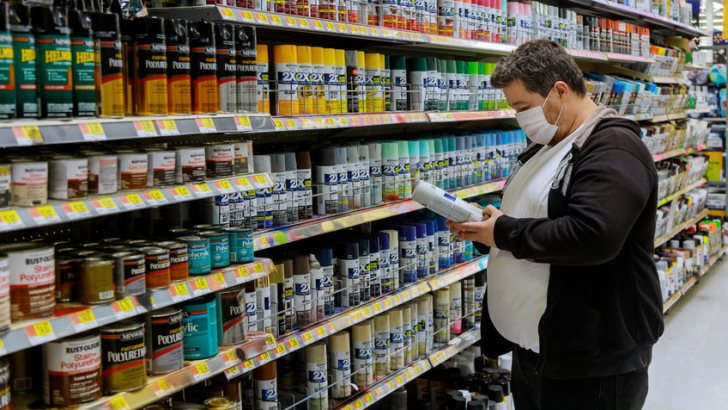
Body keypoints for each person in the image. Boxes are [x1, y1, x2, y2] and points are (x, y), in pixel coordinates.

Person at [446, 40, 664, 410]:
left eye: (523, 107)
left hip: (591, 362)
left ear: (560, 90)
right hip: (539, 353)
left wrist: (504, 232)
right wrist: (487, 230)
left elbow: (593, 236)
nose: (519, 118)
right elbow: (531, 218)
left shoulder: (613, 147)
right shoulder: (548, 146)